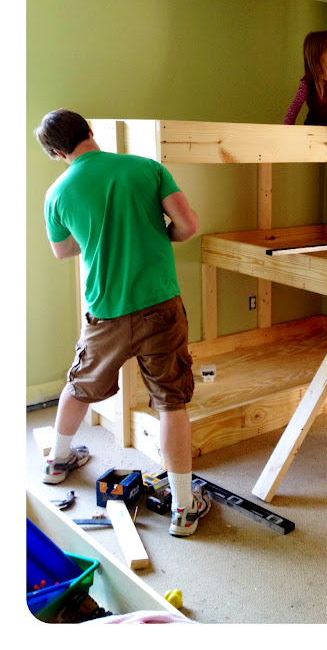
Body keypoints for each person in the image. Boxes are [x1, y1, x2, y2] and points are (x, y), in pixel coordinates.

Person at [35, 109, 209, 537]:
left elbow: (62, 250)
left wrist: (98, 235)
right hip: (158, 306)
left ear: (57, 153)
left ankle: (57, 462)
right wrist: (158, 233)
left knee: (79, 384)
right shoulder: (146, 169)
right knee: (171, 401)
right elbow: (188, 225)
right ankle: (183, 509)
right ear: (90, 131)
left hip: (105, 312)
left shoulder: (57, 193)